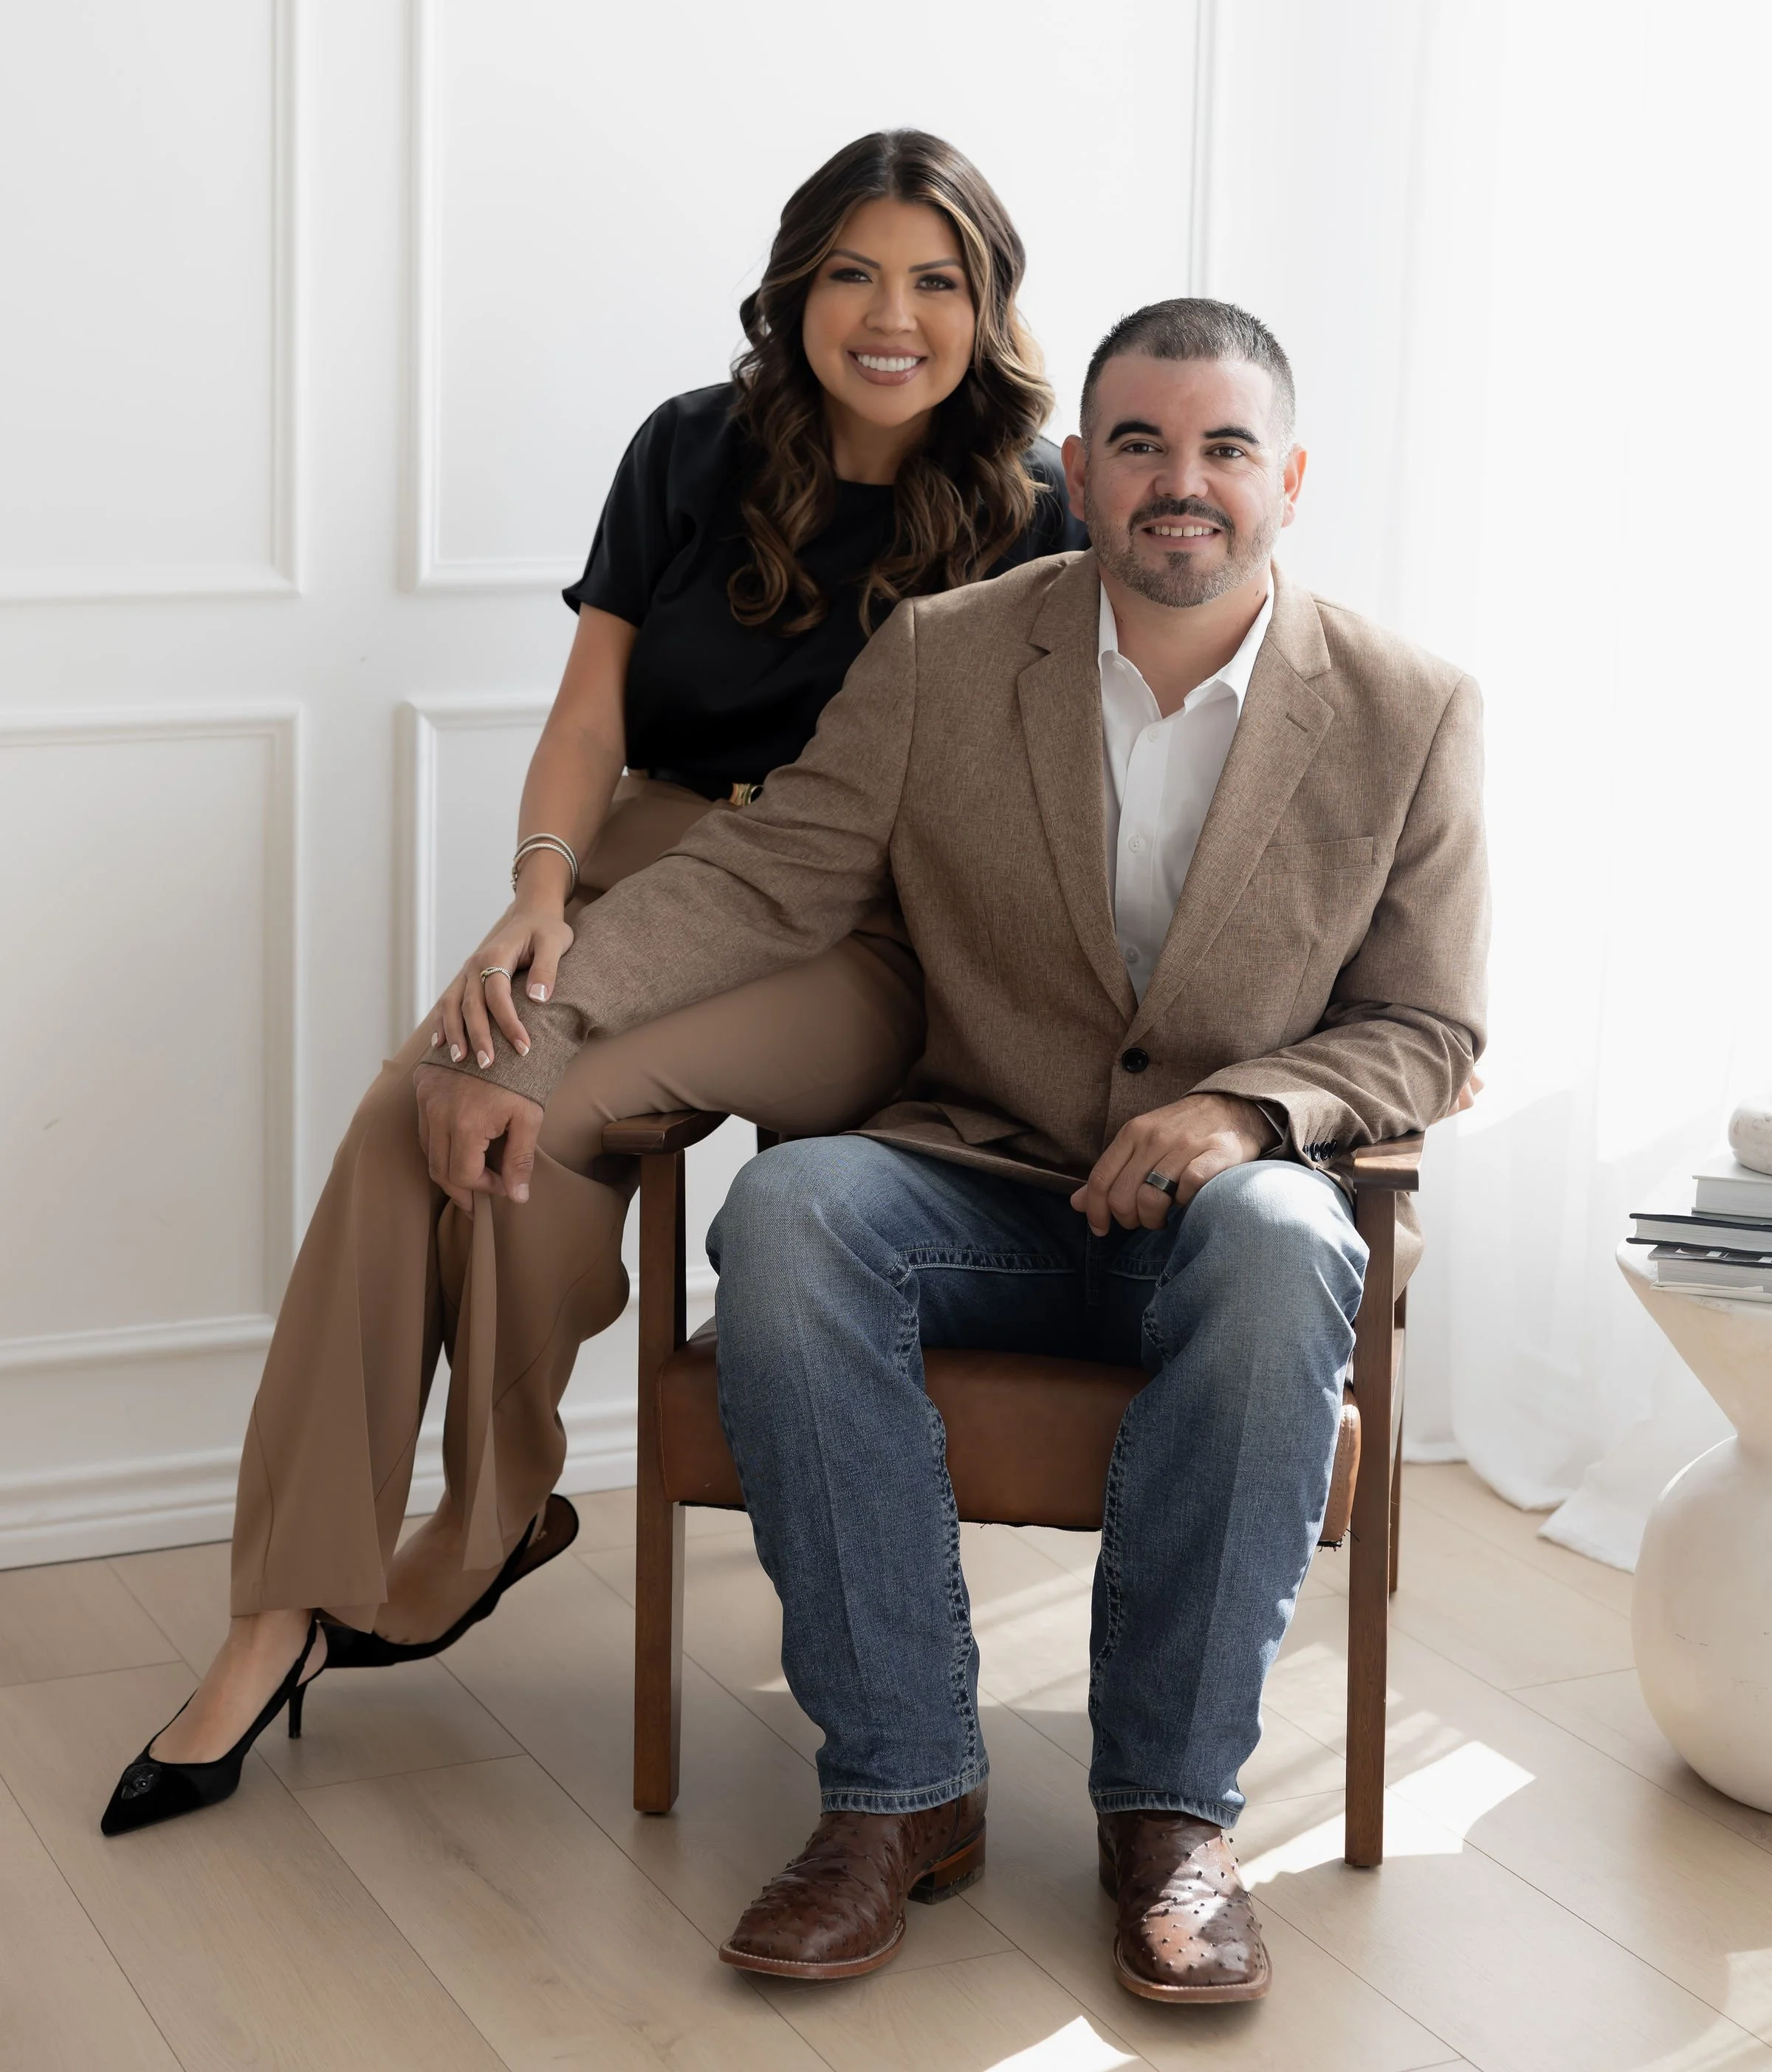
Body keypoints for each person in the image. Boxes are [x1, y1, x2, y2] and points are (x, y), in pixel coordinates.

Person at [377, 295, 1488, 2006]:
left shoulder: (1412, 710)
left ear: (1292, 478)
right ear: (1077, 467)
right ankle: (900, 1791)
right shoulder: (947, 654)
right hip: (989, 1184)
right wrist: (531, 1030)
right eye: (1137, 445)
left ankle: (1172, 1817)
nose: (1178, 483)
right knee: (798, 1205)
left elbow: (1431, 1027)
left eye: (1223, 449)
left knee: (1283, 1242)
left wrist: (1244, 1114)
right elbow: (767, 880)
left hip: (1232, 1211)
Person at [100, 129, 1085, 1837]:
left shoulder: (1037, 507)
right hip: (645, 866)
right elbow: (588, 716)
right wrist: (538, 895)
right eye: (854, 270)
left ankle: (479, 1525)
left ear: (986, 306)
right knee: (422, 1108)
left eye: (939, 279)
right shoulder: (693, 448)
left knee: (528, 1101)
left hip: (867, 930)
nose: (892, 314)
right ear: (797, 289)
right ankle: (282, 1607)